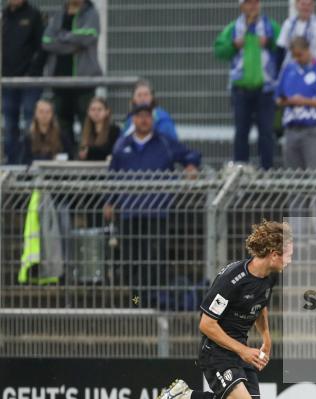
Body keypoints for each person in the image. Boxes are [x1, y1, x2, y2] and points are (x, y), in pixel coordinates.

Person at [155, 221, 293, 399]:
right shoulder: (232, 279)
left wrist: (266, 337)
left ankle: (186, 396)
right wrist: (244, 350)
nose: (291, 259)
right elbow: (206, 324)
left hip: (242, 350)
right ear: (274, 254)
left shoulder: (270, 276)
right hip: (217, 352)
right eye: (289, 253)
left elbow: (261, 306)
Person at [106, 104, 201, 308]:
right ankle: (137, 300)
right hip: (129, 212)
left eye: (147, 116)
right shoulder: (122, 145)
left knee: (154, 259)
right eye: (139, 116)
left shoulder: (164, 143)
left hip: (156, 211)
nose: (143, 120)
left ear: (152, 119)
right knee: (131, 261)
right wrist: (110, 200)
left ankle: (150, 300)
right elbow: (112, 175)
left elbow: (190, 154)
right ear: (133, 120)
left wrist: (191, 165)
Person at [214, 0, 280, 170]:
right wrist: (233, 45)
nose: (253, 7)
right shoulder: (233, 28)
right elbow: (219, 50)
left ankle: (267, 172)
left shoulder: (270, 27)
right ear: (242, 6)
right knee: (241, 132)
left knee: (266, 132)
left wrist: (270, 43)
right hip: (241, 90)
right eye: (249, 4)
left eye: (255, 3)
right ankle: (240, 172)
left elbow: (283, 49)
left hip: (265, 89)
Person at [42, 0, 102, 146]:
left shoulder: (91, 14)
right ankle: (67, 154)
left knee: (87, 122)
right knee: (62, 123)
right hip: (59, 80)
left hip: (84, 80)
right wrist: (73, 45)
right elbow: (46, 41)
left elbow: (89, 36)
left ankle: (86, 157)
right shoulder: (58, 14)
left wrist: (61, 37)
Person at [276, 37, 316, 170]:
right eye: (294, 56)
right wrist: (289, 101)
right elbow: (278, 98)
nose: (297, 58)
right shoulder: (289, 69)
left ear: (308, 50)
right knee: (293, 175)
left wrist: (305, 101)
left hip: (314, 130)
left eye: (300, 54)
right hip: (292, 128)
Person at [2, 0, 45, 164]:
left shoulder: (33, 15)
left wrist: (32, 73)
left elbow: (42, 47)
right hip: (7, 81)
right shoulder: (4, 16)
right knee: (10, 124)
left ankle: (28, 164)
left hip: (29, 81)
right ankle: (12, 166)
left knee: (30, 123)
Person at [276, 0, 316, 71]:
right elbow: (280, 50)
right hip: (292, 72)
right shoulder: (288, 24)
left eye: (309, 4)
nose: (306, 8)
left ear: (313, 6)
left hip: (314, 72)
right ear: (296, 5)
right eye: (303, 4)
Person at [20, 99, 74, 165]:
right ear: (35, 114)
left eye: (48, 112)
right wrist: (49, 159)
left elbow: (70, 157)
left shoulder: (62, 136)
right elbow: (24, 161)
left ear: (52, 114)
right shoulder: (28, 137)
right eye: (41, 111)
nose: (44, 115)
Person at [78, 97, 120, 161]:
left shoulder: (114, 130)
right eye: (93, 109)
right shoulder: (86, 132)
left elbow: (110, 151)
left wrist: (89, 151)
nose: (96, 112)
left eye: (99, 109)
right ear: (88, 112)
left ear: (107, 111)